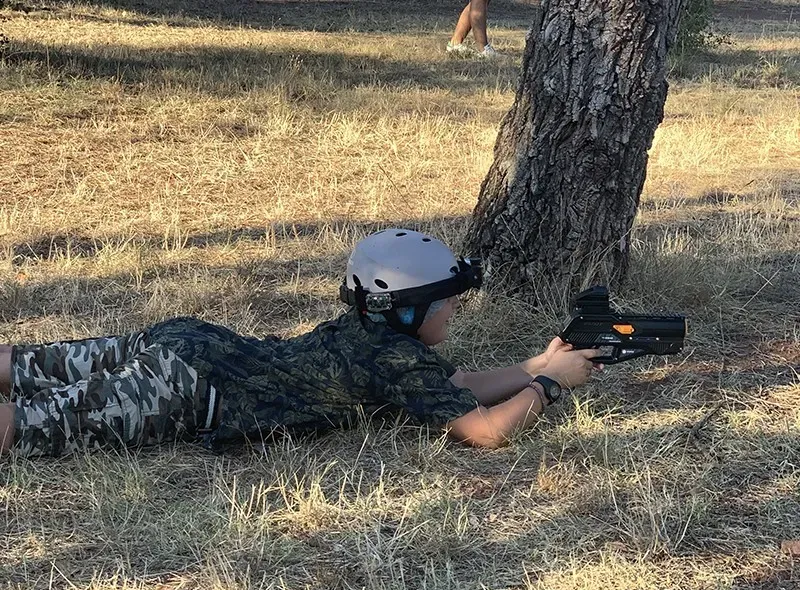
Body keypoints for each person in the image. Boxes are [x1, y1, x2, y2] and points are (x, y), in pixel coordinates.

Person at [0, 228, 600, 458]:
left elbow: (461, 386)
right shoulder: (393, 358)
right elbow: (486, 430)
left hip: (187, 340)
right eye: (447, 302)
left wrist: (535, 363)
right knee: (33, 424)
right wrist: (549, 387)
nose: (452, 311)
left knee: (34, 365)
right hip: (189, 391)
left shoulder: (371, 336)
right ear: (409, 309)